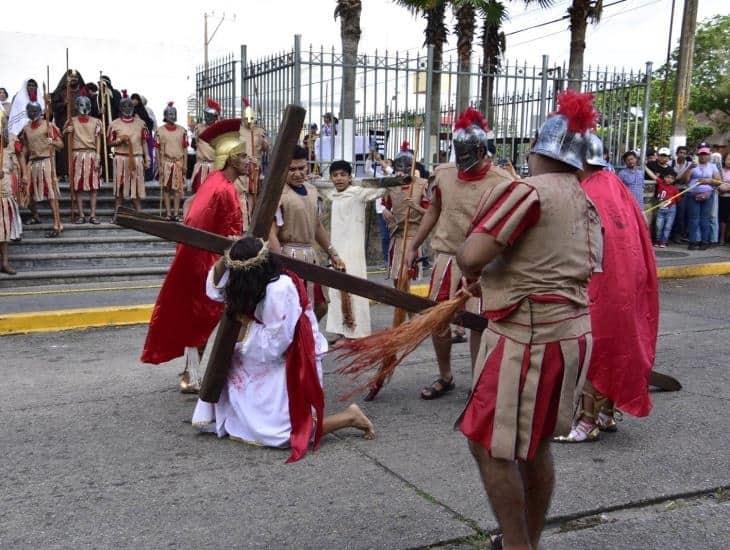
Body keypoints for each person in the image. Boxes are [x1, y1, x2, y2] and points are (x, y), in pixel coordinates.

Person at [455, 90, 602, 550]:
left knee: (490, 445)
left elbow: (472, 254)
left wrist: (472, 267)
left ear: (538, 151)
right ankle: (526, 541)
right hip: (569, 335)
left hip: (529, 340)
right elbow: (560, 267)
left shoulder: (528, 190)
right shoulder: (585, 197)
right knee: (535, 447)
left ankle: (517, 547)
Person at [191, 237, 375, 461]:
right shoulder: (250, 279)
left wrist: (246, 325)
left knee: (285, 435)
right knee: (235, 393)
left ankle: (350, 417)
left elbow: (276, 344)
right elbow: (215, 289)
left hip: (292, 355)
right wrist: (227, 256)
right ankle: (243, 417)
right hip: (261, 353)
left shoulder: (280, 289)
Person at [554, 133, 657, 443]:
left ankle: (586, 422)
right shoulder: (614, 185)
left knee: (590, 349)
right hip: (625, 282)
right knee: (611, 346)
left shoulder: (586, 192)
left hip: (602, 284)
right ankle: (605, 413)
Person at [404, 107, 513, 400]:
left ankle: (478, 383)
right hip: (446, 258)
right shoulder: (443, 174)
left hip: (484, 262)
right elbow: (434, 210)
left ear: (482, 149)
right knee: (437, 320)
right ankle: (445, 376)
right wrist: (414, 245)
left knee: (479, 324)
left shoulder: (503, 181)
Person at [141, 130, 248, 392]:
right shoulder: (223, 189)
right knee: (216, 315)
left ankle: (201, 372)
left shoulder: (216, 182)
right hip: (210, 262)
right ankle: (201, 374)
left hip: (208, 259)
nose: (248, 161)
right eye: (243, 156)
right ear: (232, 159)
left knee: (213, 317)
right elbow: (218, 233)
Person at [268, 145, 344, 320]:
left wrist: (333, 253)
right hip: (289, 257)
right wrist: (280, 262)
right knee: (293, 311)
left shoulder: (311, 190)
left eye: (301, 168)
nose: (298, 173)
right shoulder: (279, 195)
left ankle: (308, 340)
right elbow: (271, 233)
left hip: (311, 257)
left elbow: (317, 226)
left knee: (320, 306)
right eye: (292, 169)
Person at [316, 159, 386, 340]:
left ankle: (357, 331)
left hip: (354, 252)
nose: (339, 179)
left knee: (355, 288)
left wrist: (394, 177)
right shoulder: (332, 194)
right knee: (336, 290)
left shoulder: (359, 193)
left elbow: (381, 188)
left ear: (350, 177)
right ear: (331, 178)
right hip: (336, 250)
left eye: (343, 175)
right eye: (335, 175)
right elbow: (316, 187)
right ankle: (340, 330)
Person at [382, 145, 430, 286]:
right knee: (396, 278)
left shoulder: (422, 185)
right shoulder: (392, 185)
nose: (403, 170)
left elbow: (430, 213)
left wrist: (415, 207)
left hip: (412, 237)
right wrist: (384, 210)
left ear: (413, 166)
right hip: (397, 236)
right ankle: (401, 307)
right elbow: (384, 204)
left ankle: (405, 307)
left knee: (405, 275)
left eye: (407, 166)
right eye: (399, 166)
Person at [17, 101, 64, 237]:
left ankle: (57, 223)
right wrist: (21, 161)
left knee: (51, 193)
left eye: (34, 111)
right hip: (32, 162)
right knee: (28, 192)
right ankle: (36, 216)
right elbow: (25, 147)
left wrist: (53, 142)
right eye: (30, 111)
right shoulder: (26, 128)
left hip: (46, 161)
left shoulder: (48, 126)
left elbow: (60, 145)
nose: (32, 113)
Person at [108, 91, 150, 217]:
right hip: (121, 158)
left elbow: (144, 142)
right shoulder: (114, 124)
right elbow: (110, 143)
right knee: (120, 187)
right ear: (121, 108)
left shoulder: (141, 123)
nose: (128, 109)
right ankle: (117, 214)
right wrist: (119, 141)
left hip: (136, 158)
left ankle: (139, 215)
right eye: (125, 106)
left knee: (135, 187)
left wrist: (147, 157)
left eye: (130, 106)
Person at [63, 90, 103, 224]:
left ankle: (93, 215)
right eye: (81, 104)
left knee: (93, 187)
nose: (83, 107)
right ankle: (81, 215)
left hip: (91, 154)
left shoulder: (96, 122)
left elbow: (98, 140)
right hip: (77, 155)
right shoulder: (71, 121)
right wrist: (66, 131)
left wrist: (98, 156)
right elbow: (63, 135)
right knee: (78, 187)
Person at [685, 144, 723, 250]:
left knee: (705, 219)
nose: (703, 156)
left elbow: (719, 182)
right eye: (701, 154)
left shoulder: (713, 166)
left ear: (709, 155)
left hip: (708, 195)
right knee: (693, 219)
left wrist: (709, 181)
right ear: (698, 155)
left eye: (705, 154)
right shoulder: (693, 165)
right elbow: (686, 181)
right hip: (693, 194)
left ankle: (704, 242)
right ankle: (693, 241)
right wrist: (689, 169)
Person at [155, 102, 187, 221]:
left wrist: (185, 165)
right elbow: (157, 150)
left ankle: (176, 213)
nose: (172, 116)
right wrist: (159, 166)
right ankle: (168, 213)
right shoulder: (160, 131)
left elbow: (185, 149)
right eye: (170, 113)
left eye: (174, 113)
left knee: (177, 189)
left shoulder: (182, 131)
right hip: (166, 163)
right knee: (167, 189)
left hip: (178, 162)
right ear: (165, 115)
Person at [1, 128, 22, 274]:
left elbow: (14, 170)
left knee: (4, 231)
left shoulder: (7, 153)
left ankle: (5, 263)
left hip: (5, 195)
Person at [190, 98, 220, 194]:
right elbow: (193, 145)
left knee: (213, 194)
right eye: (206, 115)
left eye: (210, 116)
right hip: (201, 165)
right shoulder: (198, 128)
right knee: (198, 191)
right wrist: (195, 139)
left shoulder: (220, 130)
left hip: (214, 166)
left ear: (215, 117)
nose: (207, 118)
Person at [670, 146, 693, 243]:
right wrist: (687, 170)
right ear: (677, 153)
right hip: (672, 191)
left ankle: (680, 235)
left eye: (684, 153)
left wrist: (685, 174)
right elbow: (674, 179)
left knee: (683, 214)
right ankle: (672, 235)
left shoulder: (689, 164)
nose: (682, 155)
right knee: (672, 214)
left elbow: (686, 180)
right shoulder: (671, 163)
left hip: (684, 192)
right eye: (680, 152)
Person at [653, 171, 680, 247]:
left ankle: (664, 241)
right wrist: (645, 167)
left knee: (668, 226)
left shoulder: (675, 188)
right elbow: (653, 176)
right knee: (658, 226)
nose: (669, 179)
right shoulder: (661, 183)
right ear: (664, 178)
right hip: (660, 209)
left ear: (674, 180)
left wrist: (674, 198)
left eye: (672, 178)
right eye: (667, 177)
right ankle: (658, 239)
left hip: (671, 209)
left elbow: (678, 200)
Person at [719, 153, 730, 244]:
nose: (729, 162)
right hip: (721, 197)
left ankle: (726, 236)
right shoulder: (720, 170)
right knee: (722, 218)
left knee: (726, 218)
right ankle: (721, 237)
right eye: (728, 159)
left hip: (728, 196)